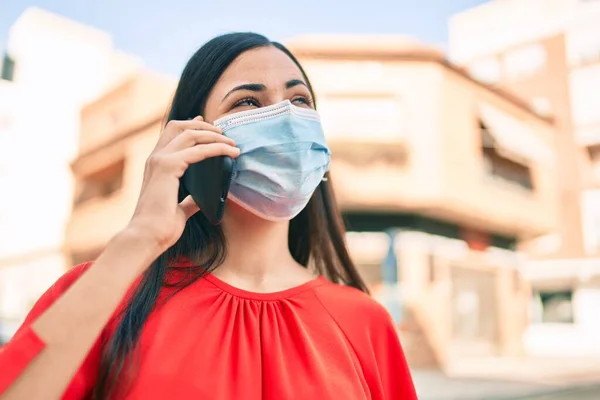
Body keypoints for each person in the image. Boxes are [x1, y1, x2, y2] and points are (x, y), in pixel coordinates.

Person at [0, 32, 417, 400]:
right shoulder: (105, 293)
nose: (288, 119)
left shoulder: (367, 322)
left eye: (299, 100)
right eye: (248, 101)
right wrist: (141, 237)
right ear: (189, 138)